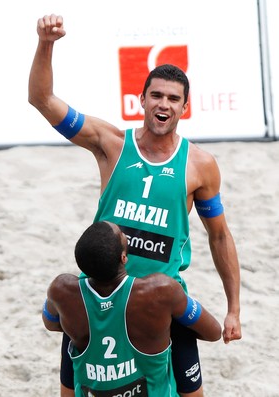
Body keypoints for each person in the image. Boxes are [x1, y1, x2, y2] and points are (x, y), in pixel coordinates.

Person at [29, 14, 242, 397]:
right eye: (156, 95)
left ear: (184, 107)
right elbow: (41, 100)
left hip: (161, 302)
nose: (163, 104)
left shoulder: (200, 165)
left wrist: (233, 308)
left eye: (173, 98)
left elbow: (220, 236)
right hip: (99, 298)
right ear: (141, 99)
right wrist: (46, 43)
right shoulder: (111, 144)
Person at [42, 221, 222, 397]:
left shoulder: (62, 291)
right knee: (179, 322)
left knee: (70, 331)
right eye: (122, 234)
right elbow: (214, 332)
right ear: (123, 257)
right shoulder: (161, 291)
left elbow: (50, 323)